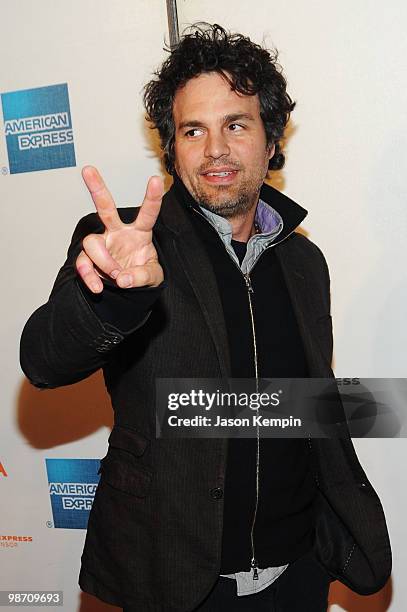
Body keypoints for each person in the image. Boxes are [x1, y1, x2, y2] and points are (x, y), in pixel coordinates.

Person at [20, 23, 391, 612]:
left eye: (236, 125)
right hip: (172, 580)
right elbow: (42, 360)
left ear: (270, 142)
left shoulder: (303, 261)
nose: (214, 149)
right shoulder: (125, 248)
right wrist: (117, 299)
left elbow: (302, 406)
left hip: (297, 575)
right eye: (194, 130)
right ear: (174, 147)